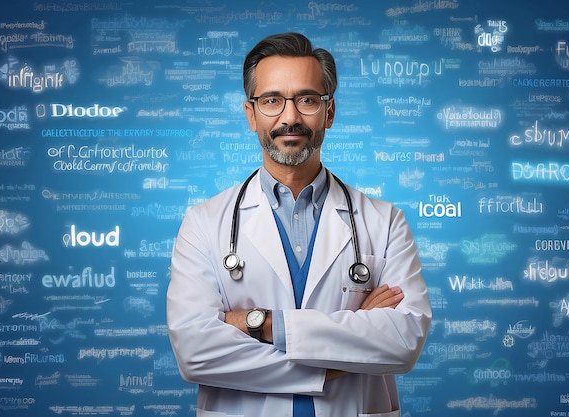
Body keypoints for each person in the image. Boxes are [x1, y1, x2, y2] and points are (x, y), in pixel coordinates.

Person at [167, 32, 432, 417]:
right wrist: (344, 353)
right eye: (272, 100)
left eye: (307, 99)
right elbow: (195, 354)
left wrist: (263, 325)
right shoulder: (204, 223)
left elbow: (403, 342)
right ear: (250, 114)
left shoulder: (384, 221)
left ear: (329, 112)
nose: (290, 117)